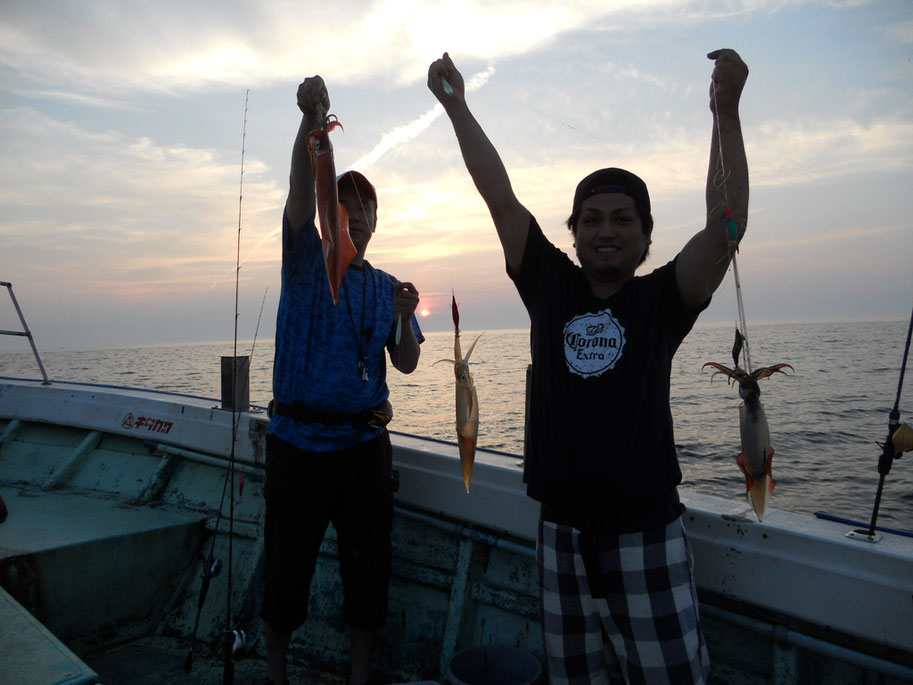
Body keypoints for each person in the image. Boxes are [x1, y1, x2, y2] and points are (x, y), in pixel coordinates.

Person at [428, 49, 748, 684]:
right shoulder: (548, 283)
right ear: (571, 233)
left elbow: (727, 224)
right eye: (592, 220)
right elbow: (499, 194)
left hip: (648, 538)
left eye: (623, 220)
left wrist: (727, 115)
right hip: (561, 539)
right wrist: (457, 106)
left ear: (646, 235)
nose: (607, 231)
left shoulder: (663, 300)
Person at [259, 75, 423, 685]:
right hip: (298, 443)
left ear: (377, 222)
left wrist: (405, 317)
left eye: (365, 214)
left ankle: (359, 676)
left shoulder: (385, 288)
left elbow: (404, 363)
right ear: (333, 219)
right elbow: (303, 193)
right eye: (344, 213)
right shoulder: (305, 257)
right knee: (286, 567)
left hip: (362, 448)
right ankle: (276, 673)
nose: (354, 221)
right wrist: (312, 123)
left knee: (368, 567)